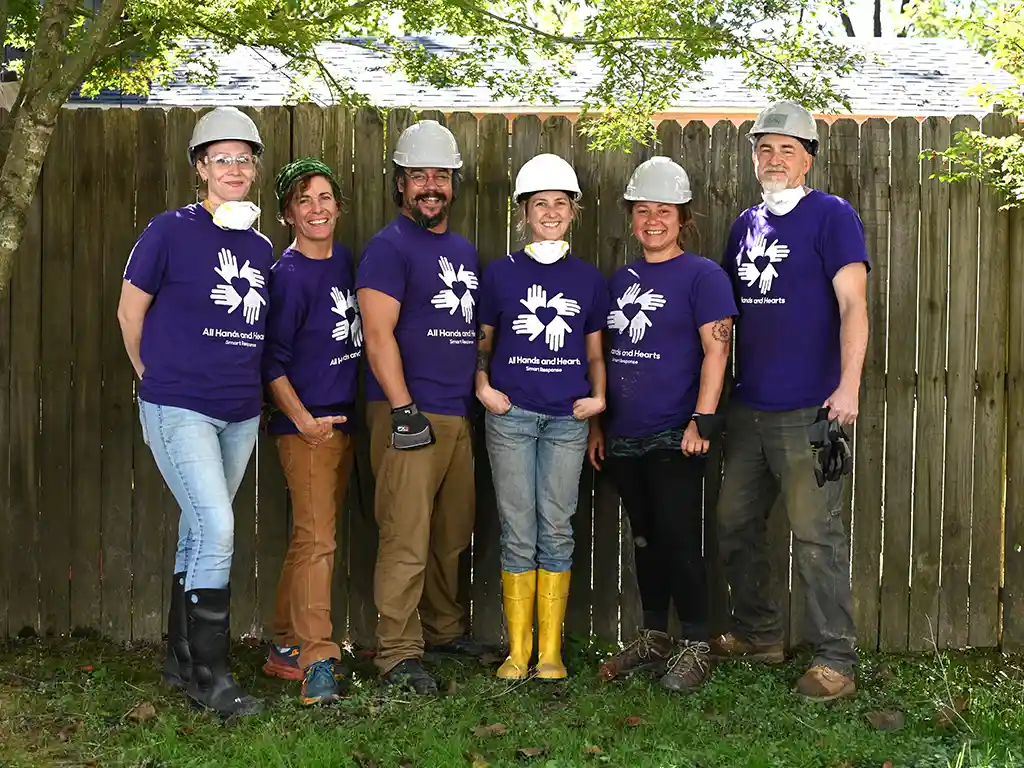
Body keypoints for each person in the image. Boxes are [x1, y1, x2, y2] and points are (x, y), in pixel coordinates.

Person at [116, 106, 272, 718]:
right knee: (219, 528)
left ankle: (182, 660)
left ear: (254, 169)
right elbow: (131, 314)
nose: (233, 168)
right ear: (200, 167)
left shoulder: (260, 245)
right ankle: (214, 679)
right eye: (221, 158)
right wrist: (150, 375)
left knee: (198, 529)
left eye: (243, 158)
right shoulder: (168, 231)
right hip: (180, 407)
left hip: (239, 410)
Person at [713, 100, 869, 701]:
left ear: (808, 160)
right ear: (754, 158)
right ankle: (760, 635)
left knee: (815, 535)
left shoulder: (831, 216)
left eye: (788, 149)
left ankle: (836, 660)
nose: (775, 159)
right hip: (749, 407)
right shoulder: (745, 223)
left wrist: (848, 386)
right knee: (734, 523)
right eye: (765, 148)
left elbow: (853, 305)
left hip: (810, 408)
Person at [589, 156, 737, 693]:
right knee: (646, 539)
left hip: (677, 432)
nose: (653, 220)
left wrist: (702, 420)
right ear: (632, 217)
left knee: (678, 538)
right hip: (624, 431)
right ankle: (654, 637)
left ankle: (696, 642)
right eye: (643, 210)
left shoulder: (704, 276)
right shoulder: (620, 279)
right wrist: (598, 427)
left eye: (665, 211)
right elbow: (602, 355)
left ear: (683, 218)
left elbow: (716, 353)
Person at [356, 119, 486, 695]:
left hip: (456, 412)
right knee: (405, 535)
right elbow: (377, 335)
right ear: (400, 184)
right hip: (406, 411)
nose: (430, 185)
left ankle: (443, 629)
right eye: (418, 176)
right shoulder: (389, 248)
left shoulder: (462, 251)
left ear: (453, 183)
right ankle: (398, 651)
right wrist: (404, 409)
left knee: (451, 533)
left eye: (440, 175)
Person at [476, 154, 609, 681]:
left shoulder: (589, 279)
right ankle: (518, 651)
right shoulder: (500, 274)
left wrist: (598, 399)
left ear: (573, 211)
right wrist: (482, 386)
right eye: (539, 204)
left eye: (560, 203)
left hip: (566, 421)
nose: (550, 212)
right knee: (517, 529)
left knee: (556, 528)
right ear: (523, 213)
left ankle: (549, 652)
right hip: (510, 417)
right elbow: (482, 343)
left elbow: (596, 351)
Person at [260, 158, 361, 706]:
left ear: (338, 206)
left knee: (309, 539)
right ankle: (319, 658)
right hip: (306, 428)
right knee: (320, 542)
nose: (317, 209)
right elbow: (270, 362)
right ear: (286, 214)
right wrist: (303, 422)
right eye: (304, 201)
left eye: (325, 198)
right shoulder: (289, 276)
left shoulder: (343, 260)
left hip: (342, 422)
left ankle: (283, 646)